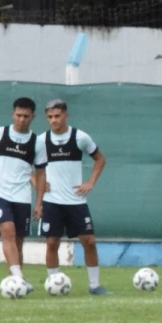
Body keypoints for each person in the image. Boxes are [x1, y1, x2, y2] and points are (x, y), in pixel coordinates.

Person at [0, 97, 47, 292]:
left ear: (33, 117)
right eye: (18, 115)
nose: (22, 119)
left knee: (18, 240)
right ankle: (19, 279)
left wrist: (39, 203)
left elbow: (40, 174)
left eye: (26, 116)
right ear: (12, 114)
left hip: (22, 195)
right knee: (8, 231)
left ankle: (13, 279)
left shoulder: (37, 143)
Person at [39, 99, 109, 294]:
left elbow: (100, 159)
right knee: (52, 243)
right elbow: (28, 165)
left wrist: (90, 183)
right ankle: (53, 283)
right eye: (50, 117)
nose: (54, 120)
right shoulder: (41, 140)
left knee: (89, 241)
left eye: (57, 116)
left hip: (76, 201)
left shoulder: (80, 137)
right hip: (52, 201)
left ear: (66, 116)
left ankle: (94, 286)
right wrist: (37, 182)